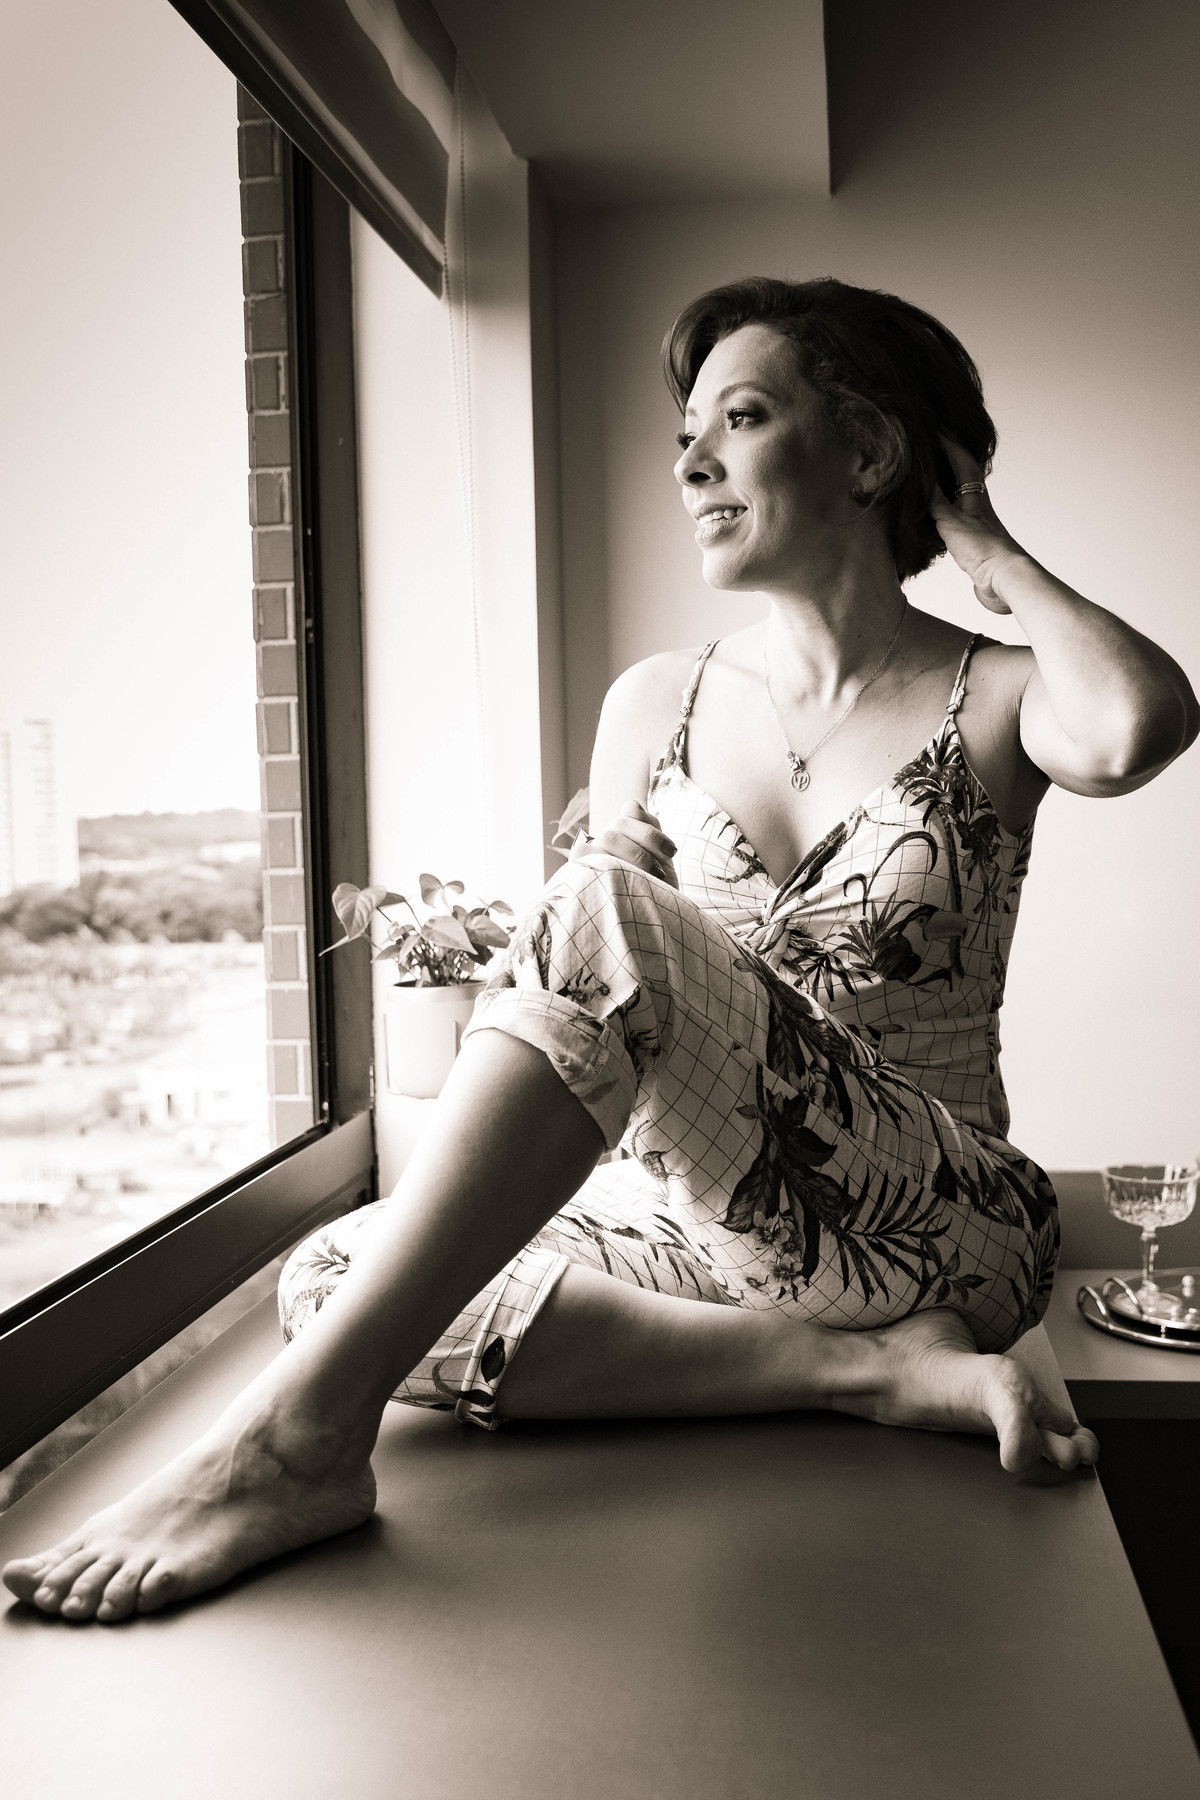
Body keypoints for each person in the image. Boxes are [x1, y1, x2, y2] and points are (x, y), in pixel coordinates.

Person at [6, 276, 1196, 1625]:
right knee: (332, 1276)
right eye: (687, 433)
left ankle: (295, 1444)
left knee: (598, 912)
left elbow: (1140, 724)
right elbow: (603, 1011)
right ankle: (869, 1372)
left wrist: (984, 544)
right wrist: (601, 914)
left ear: (868, 452)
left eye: (741, 419)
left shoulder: (1002, 691)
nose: (689, 464)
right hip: (713, 1228)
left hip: (946, 1222)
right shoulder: (656, 704)